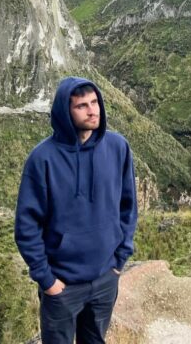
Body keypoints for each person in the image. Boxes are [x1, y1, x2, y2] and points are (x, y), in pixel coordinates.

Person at [15, 76, 138, 344]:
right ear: (65, 111)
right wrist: (47, 280)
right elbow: (26, 227)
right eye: (82, 105)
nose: (93, 110)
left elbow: (128, 207)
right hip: (62, 285)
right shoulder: (42, 159)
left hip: (105, 279)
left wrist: (119, 261)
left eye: (95, 102)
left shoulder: (118, 148)